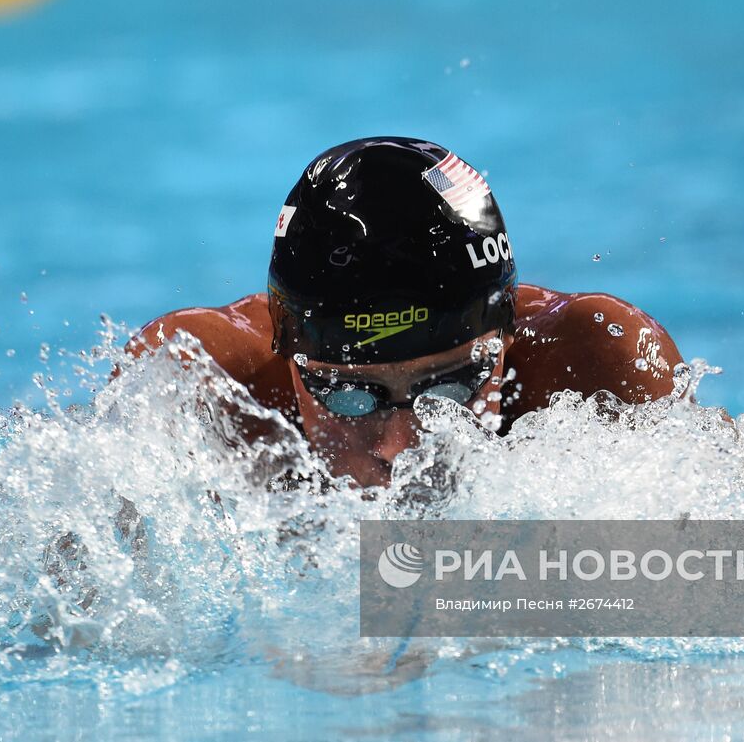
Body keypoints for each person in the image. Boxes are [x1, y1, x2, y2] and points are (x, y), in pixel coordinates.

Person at [127, 136, 683, 488]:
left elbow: (731, 581)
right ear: (286, 352)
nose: (401, 447)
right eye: (347, 395)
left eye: (451, 388)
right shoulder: (199, 388)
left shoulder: (599, 364)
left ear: (508, 335)